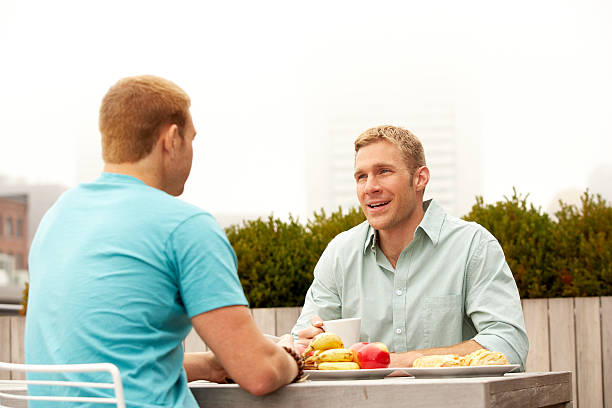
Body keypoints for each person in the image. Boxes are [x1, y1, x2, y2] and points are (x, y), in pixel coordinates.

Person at [25, 75, 301, 407]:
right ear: (171, 139)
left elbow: (100, 368)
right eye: (192, 139)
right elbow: (260, 373)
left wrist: (213, 365)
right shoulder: (185, 226)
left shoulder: (57, 218)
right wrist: (290, 357)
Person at [292, 125, 529, 369]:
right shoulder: (339, 254)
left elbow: (508, 345)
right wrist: (306, 345)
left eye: (383, 171)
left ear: (420, 178)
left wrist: (401, 362)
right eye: (361, 176)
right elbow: (302, 345)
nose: (369, 187)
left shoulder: (474, 246)